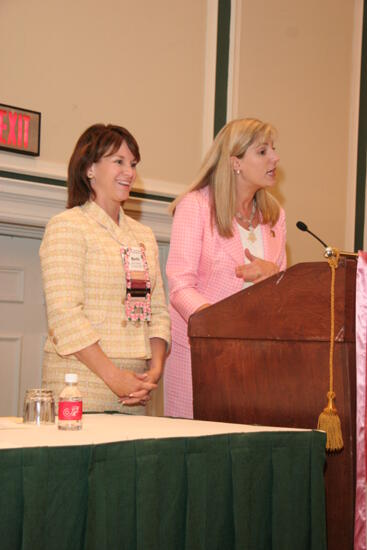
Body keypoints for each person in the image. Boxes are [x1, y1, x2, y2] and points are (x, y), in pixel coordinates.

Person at [40, 123, 170, 414]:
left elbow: (158, 311)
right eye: (118, 161)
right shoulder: (68, 226)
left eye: (133, 164)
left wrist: (155, 370)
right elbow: (65, 316)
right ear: (89, 169)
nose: (129, 172)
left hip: (136, 386)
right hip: (81, 382)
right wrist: (114, 377)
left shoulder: (143, 236)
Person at [164, 118, 287, 419]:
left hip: (258, 361)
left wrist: (275, 276)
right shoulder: (195, 207)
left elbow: (285, 295)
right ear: (236, 163)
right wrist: (219, 327)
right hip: (200, 356)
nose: (275, 158)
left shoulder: (275, 216)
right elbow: (180, 286)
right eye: (262, 151)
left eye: (273, 149)